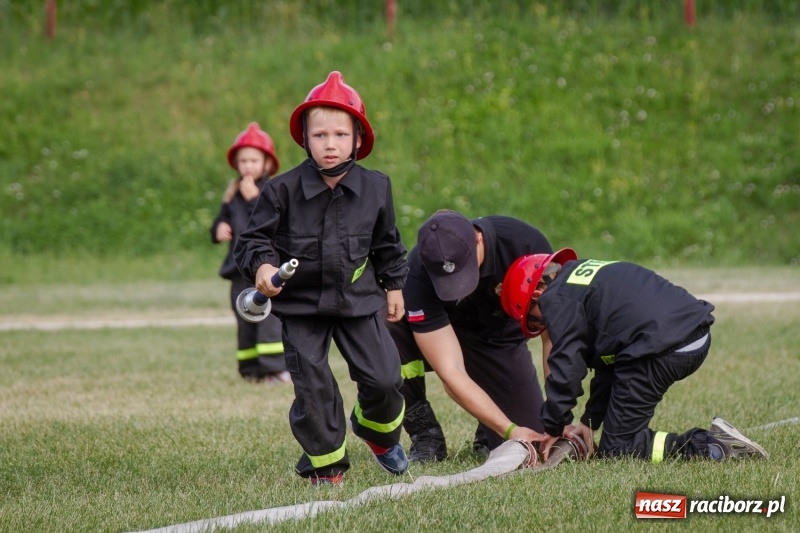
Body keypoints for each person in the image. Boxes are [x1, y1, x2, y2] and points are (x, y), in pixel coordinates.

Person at [234, 71, 410, 485]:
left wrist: (395, 283)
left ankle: (378, 433)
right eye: (319, 136)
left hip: (359, 300)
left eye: (340, 135)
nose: (330, 145)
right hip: (302, 307)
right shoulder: (281, 190)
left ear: (358, 140)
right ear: (304, 139)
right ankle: (327, 465)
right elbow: (253, 241)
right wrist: (262, 268)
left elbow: (387, 243)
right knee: (314, 388)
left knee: (385, 378)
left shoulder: (377, 188)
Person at [500, 248, 769, 463]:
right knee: (618, 424)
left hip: (660, 350)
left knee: (618, 448)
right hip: (694, 336)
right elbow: (611, 361)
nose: (542, 327)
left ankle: (712, 446)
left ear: (537, 294)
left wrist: (554, 427)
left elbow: (567, 366)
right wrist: (589, 421)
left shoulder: (555, 299)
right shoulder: (581, 277)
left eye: (534, 322)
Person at [387, 210, 553, 462]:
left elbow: (551, 336)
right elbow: (450, 371)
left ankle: (487, 427)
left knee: (535, 436)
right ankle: (425, 433)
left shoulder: (525, 244)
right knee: (386, 321)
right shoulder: (419, 271)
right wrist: (508, 429)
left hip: (496, 339)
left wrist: (558, 415)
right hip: (442, 335)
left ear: (478, 239)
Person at [210, 123, 290, 384]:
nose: (247, 166)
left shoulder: (272, 190)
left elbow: (276, 222)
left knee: (267, 318)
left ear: (267, 163)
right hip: (238, 270)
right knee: (244, 319)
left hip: (263, 267)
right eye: (243, 160)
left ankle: (275, 369)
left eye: (254, 160)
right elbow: (220, 220)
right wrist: (219, 227)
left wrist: (255, 198)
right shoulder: (233, 193)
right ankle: (250, 369)